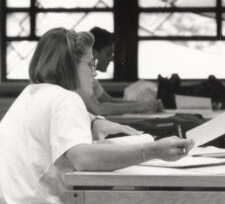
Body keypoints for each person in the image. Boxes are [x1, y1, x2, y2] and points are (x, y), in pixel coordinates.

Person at [0, 28, 194, 204]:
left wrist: (94, 121)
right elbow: (82, 158)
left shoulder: (31, 93)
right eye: (90, 64)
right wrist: (152, 151)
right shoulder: (66, 99)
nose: (94, 72)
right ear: (69, 66)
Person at [81, 27, 162, 116]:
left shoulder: (89, 77)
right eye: (108, 53)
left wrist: (147, 104)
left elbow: (109, 101)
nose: (112, 59)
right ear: (94, 52)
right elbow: (99, 109)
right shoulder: (80, 75)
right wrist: (137, 107)